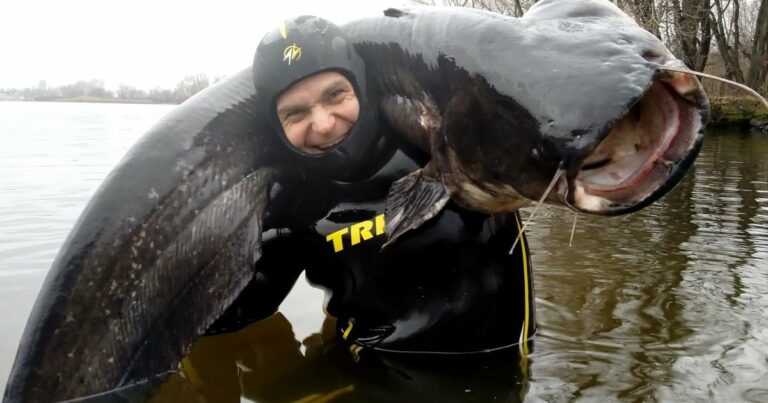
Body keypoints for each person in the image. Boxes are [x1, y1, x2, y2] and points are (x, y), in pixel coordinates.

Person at [206, 13, 535, 360]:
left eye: (335, 94)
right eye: (296, 113)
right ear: (277, 126)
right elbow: (244, 304)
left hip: (503, 367)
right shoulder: (293, 200)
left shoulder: (440, 144)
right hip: (367, 371)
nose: (323, 123)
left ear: (362, 86)